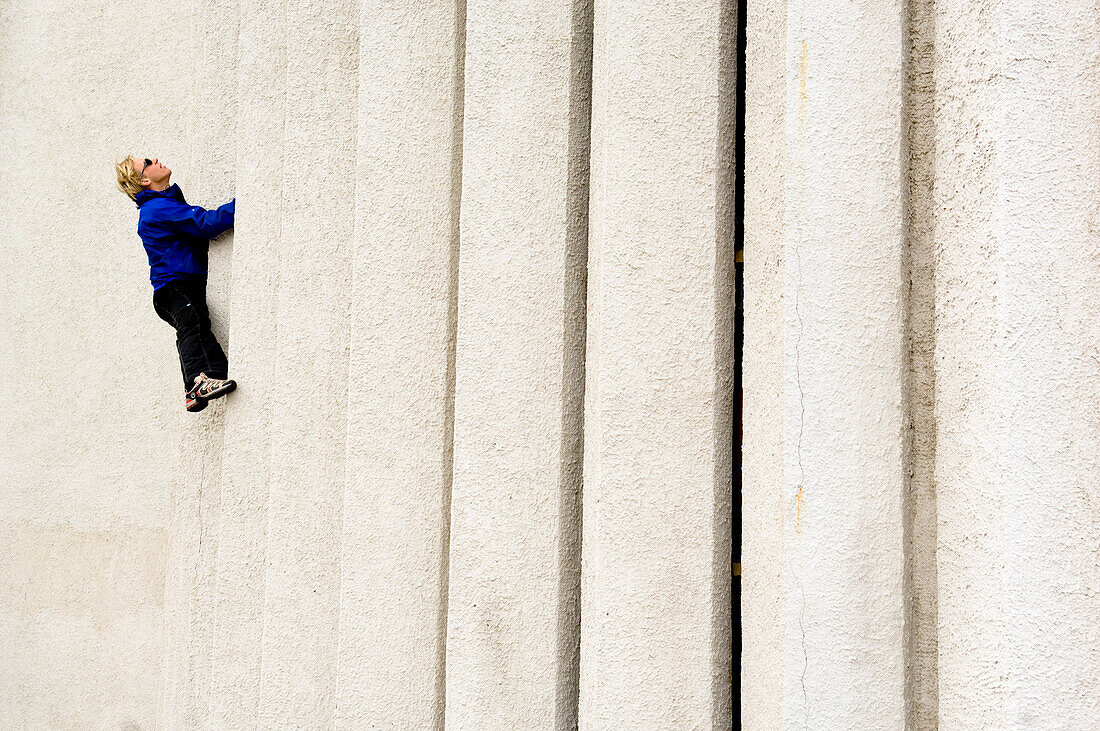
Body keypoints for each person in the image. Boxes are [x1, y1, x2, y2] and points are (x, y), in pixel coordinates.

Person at [114, 155, 237, 413]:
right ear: (145, 179)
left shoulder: (166, 204)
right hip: (175, 288)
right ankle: (195, 383)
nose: (155, 159)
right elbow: (205, 223)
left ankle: (211, 376)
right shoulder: (158, 209)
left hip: (179, 288)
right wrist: (247, 203)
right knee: (192, 324)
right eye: (147, 162)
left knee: (198, 325)